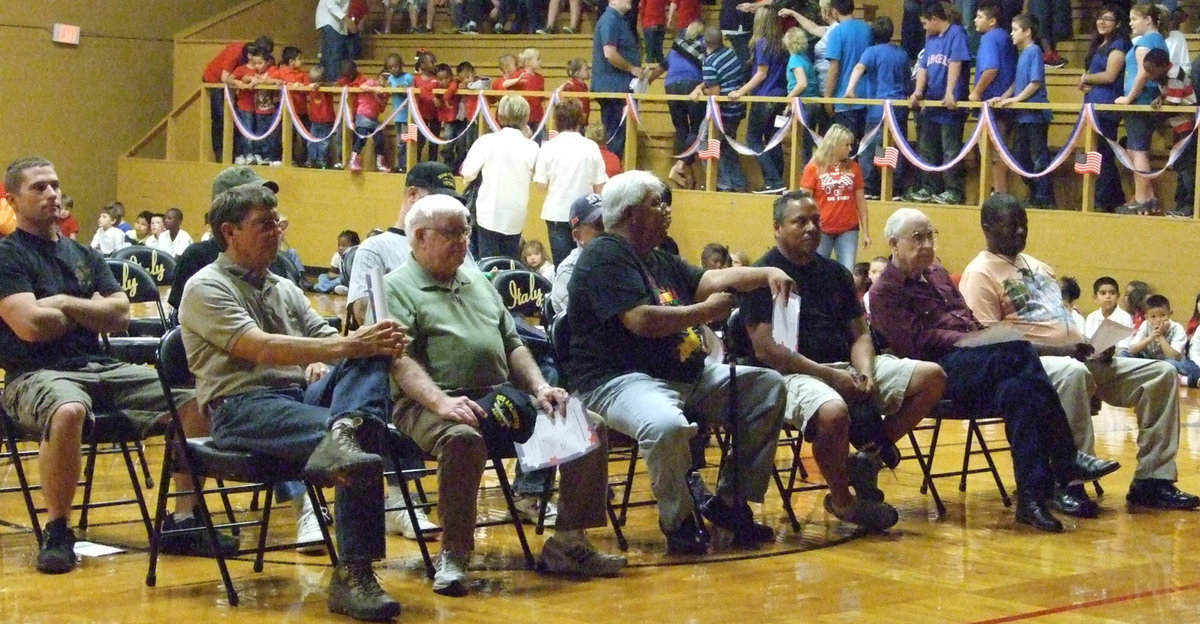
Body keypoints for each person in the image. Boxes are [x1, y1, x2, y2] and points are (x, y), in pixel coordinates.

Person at [0, 156, 235, 575]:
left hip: (100, 367)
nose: (52, 193)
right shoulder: (7, 256)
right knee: (68, 410)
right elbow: (31, 326)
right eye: (39, 188)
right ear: (13, 200)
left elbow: (120, 315)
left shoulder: (83, 255)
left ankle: (183, 521)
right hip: (34, 375)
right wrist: (86, 308)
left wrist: (59, 304)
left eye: (54, 184)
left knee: (198, 403)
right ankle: (57, 531)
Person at [180, 183, 403, 621]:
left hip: (297, 398)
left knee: (373, 355)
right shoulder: (204, 287)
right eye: (264, 224)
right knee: (360, 434)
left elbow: (324, 339)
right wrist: (344, 347)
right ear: (229, 232)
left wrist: (353, 345)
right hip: (242, 408)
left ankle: (347, 430)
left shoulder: (284, 286)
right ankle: (352, 575)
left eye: (276, 223)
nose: (276, 232)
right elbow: (259, 347)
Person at [386, 194, 626, 596]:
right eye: (451, 233)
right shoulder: (397, 288)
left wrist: (540, 387)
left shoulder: (477, 279)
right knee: (462, 438)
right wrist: (442, 403)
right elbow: (399, 360)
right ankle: (455, 553)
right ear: (419, 236)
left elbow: (513, 343)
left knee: (588, 427)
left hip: (499, 397)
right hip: (428, 403)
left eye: (465, 231)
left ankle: (568, 543)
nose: (463, 241)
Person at [567, 170, 792, 554]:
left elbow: (711, 279)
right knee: (667, 425)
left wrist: (766, 272)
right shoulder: (604, 255)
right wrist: (704, 312)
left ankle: (729, 504)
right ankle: (680, 521)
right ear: (631, 213)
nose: (667, 210)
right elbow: (640, 320)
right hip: (619, 381)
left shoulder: (658, 257)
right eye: (657, 203)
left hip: (685, 376)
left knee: (767, 388)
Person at [869, 207, 1123, 532]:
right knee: (1016, 349)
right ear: (894, 243)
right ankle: (1065, 457)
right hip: (936, 373)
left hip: (975, 363)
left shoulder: (936, 273)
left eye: (931, 235)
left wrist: (982, 337)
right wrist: (972, 340)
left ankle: (1031, 503)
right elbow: (914, 343)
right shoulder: (884, 292)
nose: (927, 244)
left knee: (1021, 391)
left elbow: (967, 318)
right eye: (917, 238)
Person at [958, 194, 1199, 513]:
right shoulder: (979, 274)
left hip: (1076, 354)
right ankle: (1068, 482)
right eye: (1011, 226)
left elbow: (1060, 320)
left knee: (1161, 374)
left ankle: (1153, 481)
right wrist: (1066, 351)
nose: (1020, 232)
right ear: (987, 228)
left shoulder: (1039, 267)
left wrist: (1095, 344)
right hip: (1030, 364)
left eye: (1024, 225)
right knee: (1073, 374)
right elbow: (992, 343)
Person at [740, 190, 946, 531]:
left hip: (848, 366)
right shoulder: (761, 274)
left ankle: (870, 456)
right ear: (777, 228)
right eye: (799, 221)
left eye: (816, 221)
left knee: (933, 376)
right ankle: (843, 500)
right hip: (791, 375)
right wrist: (830, 377)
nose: (810, 228)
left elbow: (860, 333)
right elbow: (766, 350)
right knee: (833, 411)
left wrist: (865, 371)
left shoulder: (836, 273)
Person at [906, 0, 970, 205]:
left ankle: (953, 190)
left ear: (935, 19)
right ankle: (928, 187)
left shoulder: (956, 33)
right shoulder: (930, 38)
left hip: (949, 106)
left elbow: (955, 62)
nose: (924, 26)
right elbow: (923, 66)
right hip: (931, 103)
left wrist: (950, 91)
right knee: (927, 147)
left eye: (925, 22)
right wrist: (918, 91)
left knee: (950, 149)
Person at [461, 95, 539, 259]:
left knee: (487, 264)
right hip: (515, 214)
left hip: (488, 212)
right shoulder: (532, 147)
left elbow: (467, 173)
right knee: (510, 263)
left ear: (500, 116)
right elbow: (536, 177)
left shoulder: (487, 141)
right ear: (525, 118)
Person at [843, 16, 912, 200]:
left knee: (870, 148)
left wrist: (850, 89)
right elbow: (908, 80)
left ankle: (870, 187)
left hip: (877, 109)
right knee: (894, 148)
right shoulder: (902, 53)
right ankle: (894, 189)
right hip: (898, 108)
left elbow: (859, 68)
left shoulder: (871, 51)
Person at [533, 98, 608, 264]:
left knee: (562, 264)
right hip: (586, 214)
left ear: (556, 121)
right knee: (587, 262)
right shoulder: (591, 146)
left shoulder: (548, 147)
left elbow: (540, 185)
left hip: (556, 213)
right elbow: (600, 187)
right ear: (580, 119)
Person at [991, 13, 1055, 208]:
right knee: (1021, 157)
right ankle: (1035, 193)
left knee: (1038, 158)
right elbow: (1016, 83)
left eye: (1015, 30)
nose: (1012, 33)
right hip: (1023, 116)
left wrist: (1016, 99)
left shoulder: (1034, 50)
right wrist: (1003, 97)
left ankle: (1043, 198)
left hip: (1034, 115)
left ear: (1027, 32)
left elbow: (1035, 82)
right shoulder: (1023, 54)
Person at [1114, 3, 1168, 214]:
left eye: (1134, 19)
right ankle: (1149, 197)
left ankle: (1142, 199)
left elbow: (1144, 73)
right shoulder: (1159, 40)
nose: (1131, 23)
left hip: (1140, 100)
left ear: (1148, 20)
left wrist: (1128, 98)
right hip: (1148, 97)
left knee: (1138, 149)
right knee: (1136, 148)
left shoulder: (1146, 41)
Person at [728, 7, 789, 194]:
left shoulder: (762, 43)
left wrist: (741, 91)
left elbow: (762, 73)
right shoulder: (782, 44)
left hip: (764, 96)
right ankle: (776, 181)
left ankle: (774, 181)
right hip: (779, 96)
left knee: (753, 139)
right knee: (772, 140)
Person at [1079, 3, 1130, 212]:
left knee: (1103, 154)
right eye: (1100, 18)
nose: (1102, 22)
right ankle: (1109, 198)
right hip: (1093, 107)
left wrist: (1086, 77)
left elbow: (1110, 75)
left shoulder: (1118, 45)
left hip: (1106, 108)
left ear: (1118, 23)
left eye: (1108, 19)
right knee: (1094, 153)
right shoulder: (1100, 44)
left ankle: (1106, 200)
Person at [798, 123, 869, 270]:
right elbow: (804, 203)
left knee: (847, 271)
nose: (850, 149)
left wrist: (866, 232)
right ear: (835, 144)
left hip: (848, 229)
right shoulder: (813, 167)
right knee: (817, 271)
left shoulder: (854, 167)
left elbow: (861, 202)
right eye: (847, 145)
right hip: (821, 230)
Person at [969, 2, 1017, 196]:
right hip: (1004, 101)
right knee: (996, 149)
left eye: (980, 17)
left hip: (992, 104)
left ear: (992, 21)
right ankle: (998, 190)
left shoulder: (989, 38)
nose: (975, 20)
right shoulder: (1006, 37)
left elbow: (991, 69)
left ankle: (999, 192)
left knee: (993, 151)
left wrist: (976, 92)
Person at [1143, 47, 1198, 217]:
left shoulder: (1175, 75)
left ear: (1163, 66)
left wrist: (1155, 115)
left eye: (1151, 71)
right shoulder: (1165, 76)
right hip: (1179, 126)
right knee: (1181, 166)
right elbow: (1169, 97)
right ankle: (1181, 204)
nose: (1149, 75)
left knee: (1187, 168)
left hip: (1188, 127)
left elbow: (1173, 103)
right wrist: (1160, 98)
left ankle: (1188, 205)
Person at [694, 26, 748, 193]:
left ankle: (722, 185)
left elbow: (715, 92)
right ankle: (738, 185)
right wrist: (701, 85)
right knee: (727, 149)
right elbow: (719, 77)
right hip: (736, 110)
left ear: (705, 43)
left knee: (704, 145)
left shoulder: (708, 63)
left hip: (721, 114)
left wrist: (701, 91)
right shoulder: (730, 53)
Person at [202, 36, 274, 161]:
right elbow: (225, 77)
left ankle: (237, 153)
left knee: (236, 119)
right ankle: (222, 155)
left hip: (232, 85)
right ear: (251, 54)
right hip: (215, 80)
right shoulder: (235, 52)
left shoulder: (252, 61)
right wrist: (239, 83)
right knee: (222, 117)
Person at [592, 0, 644, 158]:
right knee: (615, 137)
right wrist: (632, 68)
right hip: (613, 88)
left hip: (618, 87)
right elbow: (609, 53)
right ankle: (612, 172)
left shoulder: (619, 20)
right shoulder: (611, 20)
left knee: (619, 136)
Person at [662, 24, 707, 190]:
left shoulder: (678, 44)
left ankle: (688, 178)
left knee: (681, 131)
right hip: (692, 85)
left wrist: (648, 80)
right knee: (697, 129)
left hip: (670, 85)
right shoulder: (703, 43)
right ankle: (680, 166)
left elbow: (663, 64)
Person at [550, 193, 605, 314]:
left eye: (610, 222)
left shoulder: (623, 260)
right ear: (578, 235)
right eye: (599, 225)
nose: (607, 230)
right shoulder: (568, 272)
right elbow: (593, 323)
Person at [823, 0, 871, 138]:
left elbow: (834, 69)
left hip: (844, 99)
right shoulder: (867, 29)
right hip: (867, 98)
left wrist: (827, 98)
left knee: (845, 150)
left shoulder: (836, 32)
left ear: (834, 11)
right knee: (864, 147)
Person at [1126, 294, 1197, 384]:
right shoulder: (1145, 325)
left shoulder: (1177, 328)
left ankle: (1151, 375)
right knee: (1124, 354)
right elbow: (1131, 349)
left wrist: (1160, 336)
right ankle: (1151, 374)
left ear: (1170, 314)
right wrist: (1150, 338)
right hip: (1150, 361)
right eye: (1153, 317)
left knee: (1171, 364)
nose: (1158, 320)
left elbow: (1173, 356)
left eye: (1163, 315)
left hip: (1172, 363)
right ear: (1146, 317)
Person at [382, 53, 415, 174]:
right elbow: (387, 92)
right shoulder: (390, 79)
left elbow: (413, 92)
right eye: (390, 67)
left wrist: (404, 89)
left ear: (401, 65)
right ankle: (401, 165)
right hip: (398, 117)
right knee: (400, 142)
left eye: (395, 66)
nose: (393, 69)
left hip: (410, 116)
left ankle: (409, 165)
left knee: (409, 141)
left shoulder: (408, 77)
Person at [316, 0, 352, 84]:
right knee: (334, 56)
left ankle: (328, 82)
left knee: (331, 55)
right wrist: (347, 20)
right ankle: (333, 83)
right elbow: (330, 4)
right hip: (329, 21)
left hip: (335, 23)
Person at [314, 230, 359, 294]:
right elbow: (331, 274)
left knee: (340, 280)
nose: (340, 248)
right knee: (322, 276)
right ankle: (331, 288)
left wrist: (341, 277)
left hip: (350, 281)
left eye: (344, 245)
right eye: (339, 245)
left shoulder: (356, 256)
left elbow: (354, 276)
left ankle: (320, 288)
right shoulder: (337, 256)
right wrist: (339, 276)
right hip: (340, 278)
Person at [560, 59, 592, 126]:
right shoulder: (571, 86)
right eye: (585, 69)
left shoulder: (584, 86)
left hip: (584, 121)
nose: (588, 72)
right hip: (575, 122)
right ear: (577, 72)